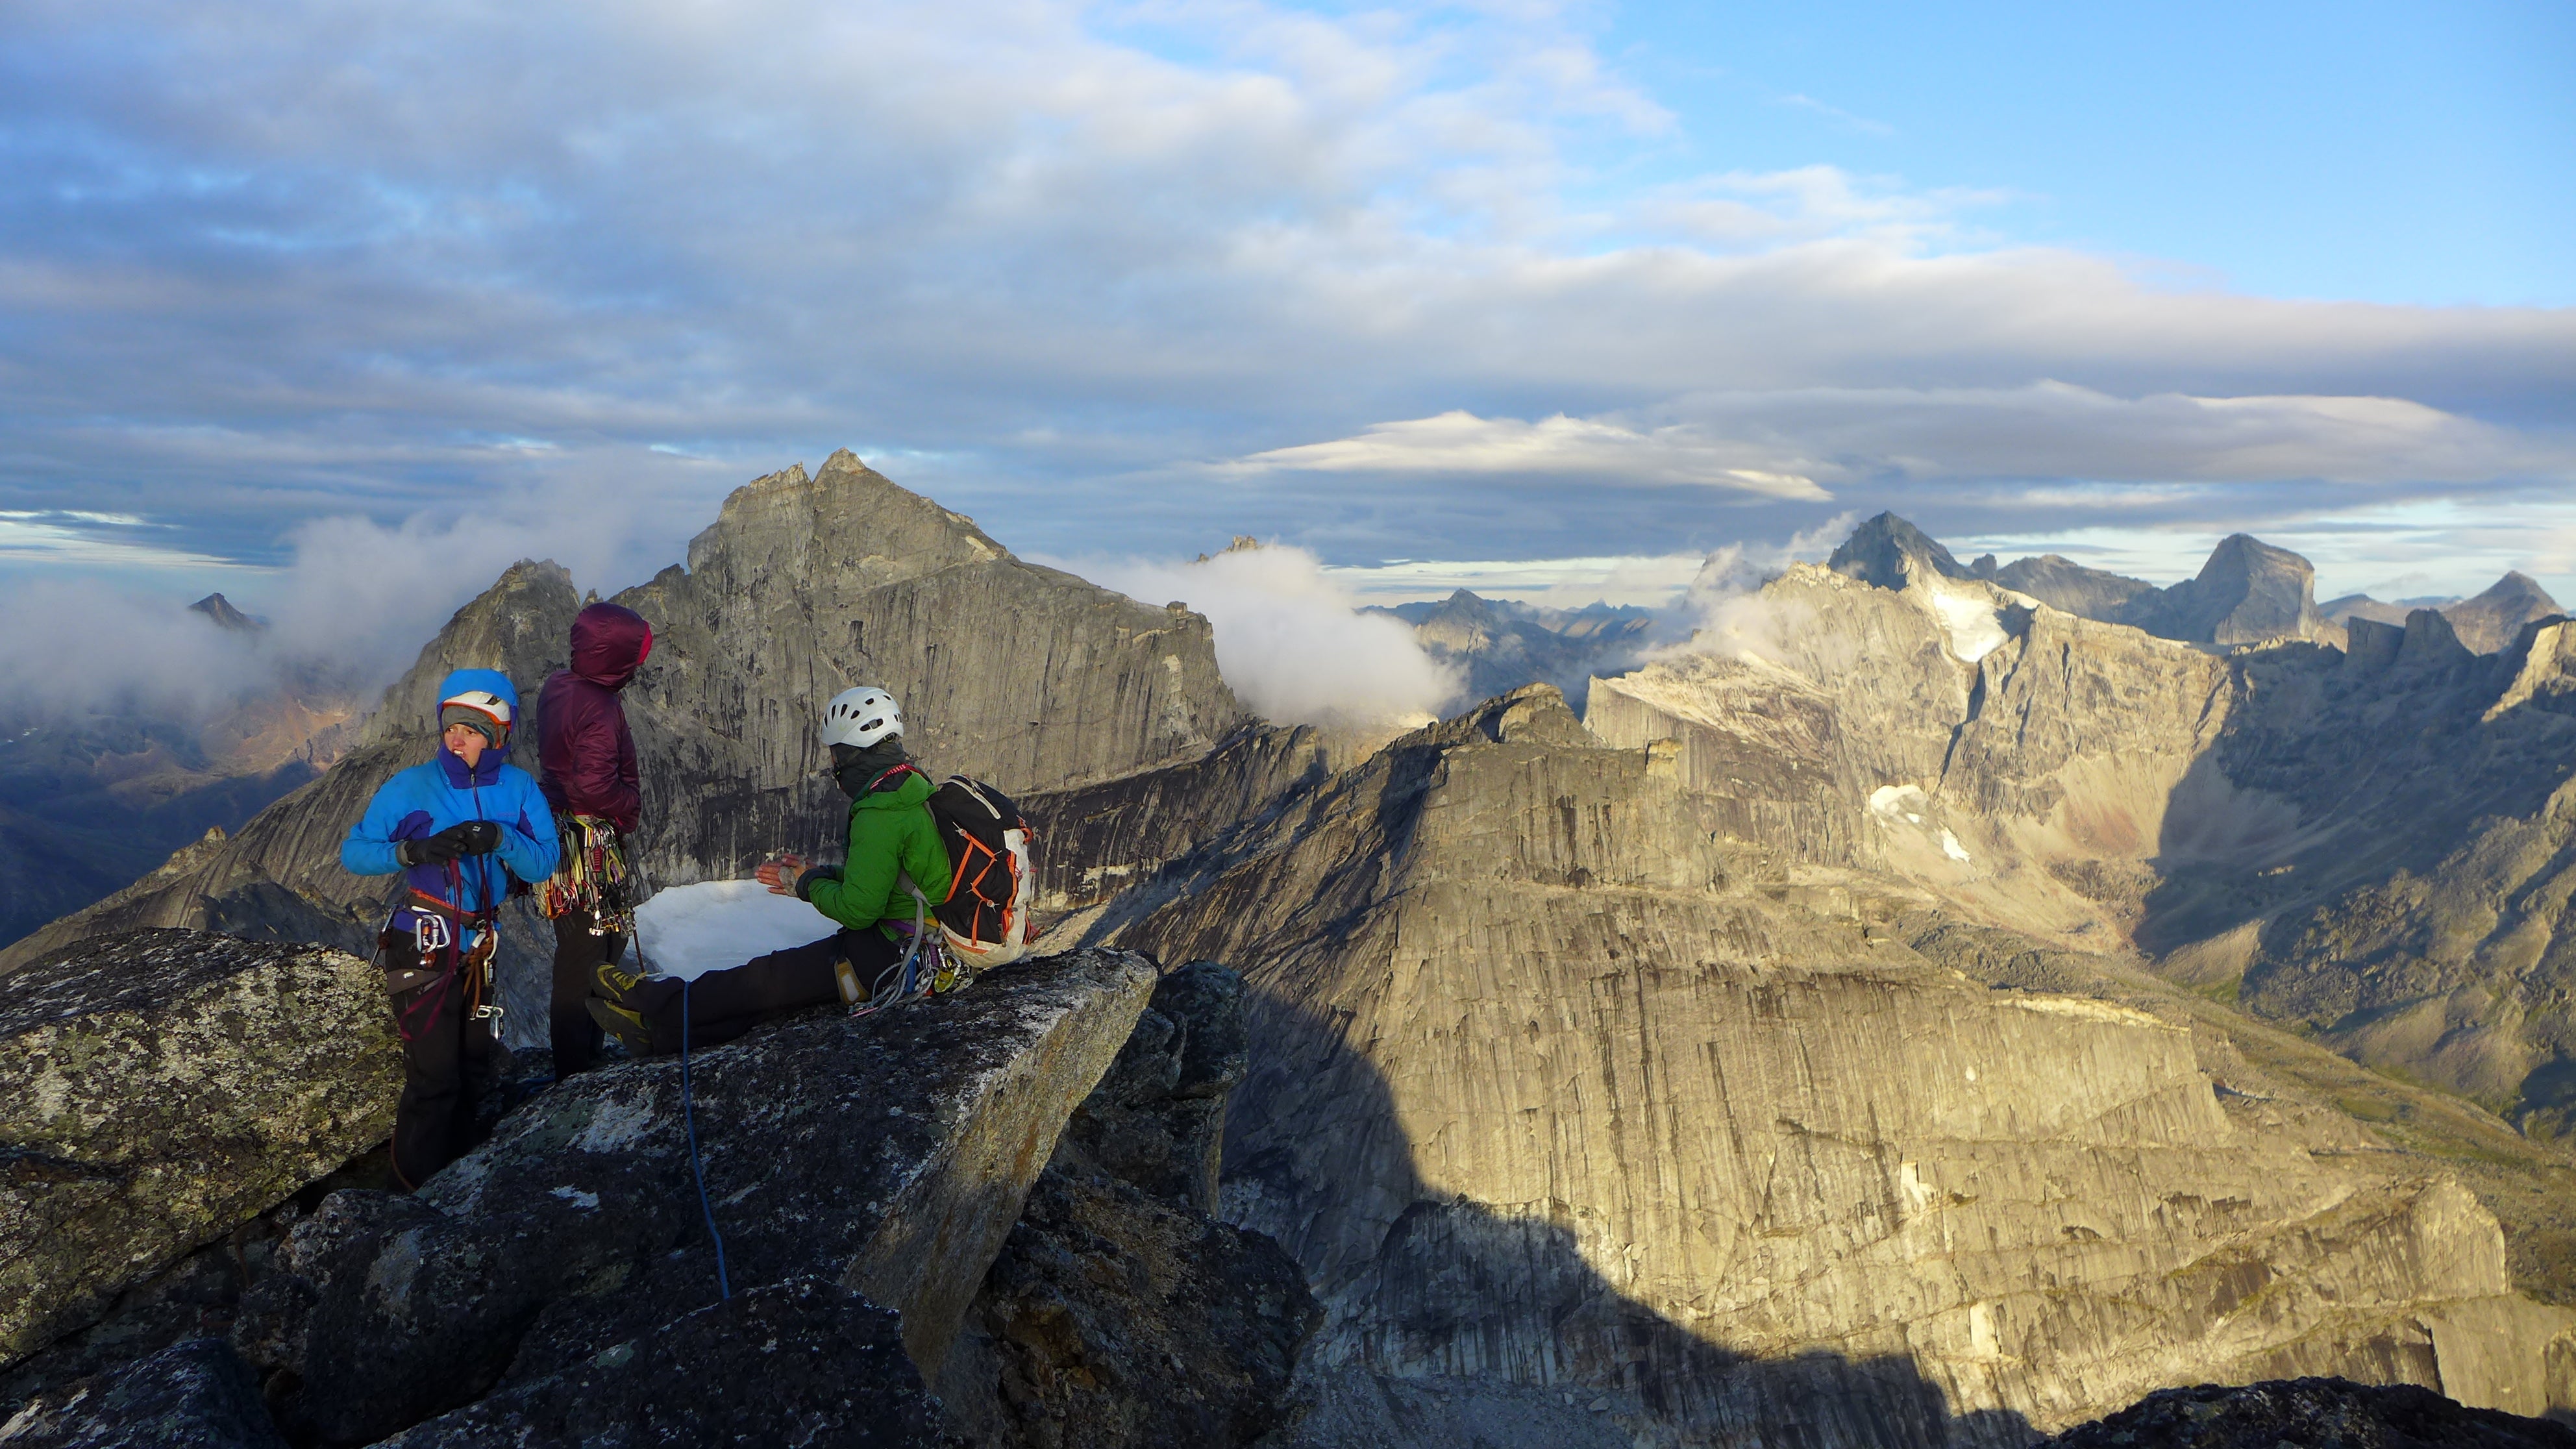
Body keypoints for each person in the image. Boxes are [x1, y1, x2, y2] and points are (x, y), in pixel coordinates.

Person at [591, 684, 950, 1053]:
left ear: (850, 753)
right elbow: (889, 877)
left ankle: (647, 999)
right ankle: (658, 1034)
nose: (833, 765)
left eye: (835, 755)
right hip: (916, 942)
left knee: (765, 979)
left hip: (893, 953)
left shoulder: (880, 812)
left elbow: (859, 910)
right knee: (776, 994)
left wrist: (807, 884)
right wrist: (821, 874)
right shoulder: (913, 786)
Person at [342, 669, 560, 1190]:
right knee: (435, 1076)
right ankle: (414, 1193)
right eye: (450, 726)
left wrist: (500, 837)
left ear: (498, 735)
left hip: (477, 947)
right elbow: (355, 853)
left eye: (470, 727)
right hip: (422, 940)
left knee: (471, 1067)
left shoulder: (518, 788)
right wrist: (413, 851)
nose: (455, 736)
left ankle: (457, 1184)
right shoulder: (413, 786)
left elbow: (544, 863)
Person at [533, 601, 652, 1079]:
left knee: (589, 944)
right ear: (617, 658)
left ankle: (582, 1056)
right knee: (592, 950)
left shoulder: (559, 686)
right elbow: (594, 787)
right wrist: (630, 806)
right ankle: (576, 1066)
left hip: (563, 836)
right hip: (590, 846)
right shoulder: (601, 709)